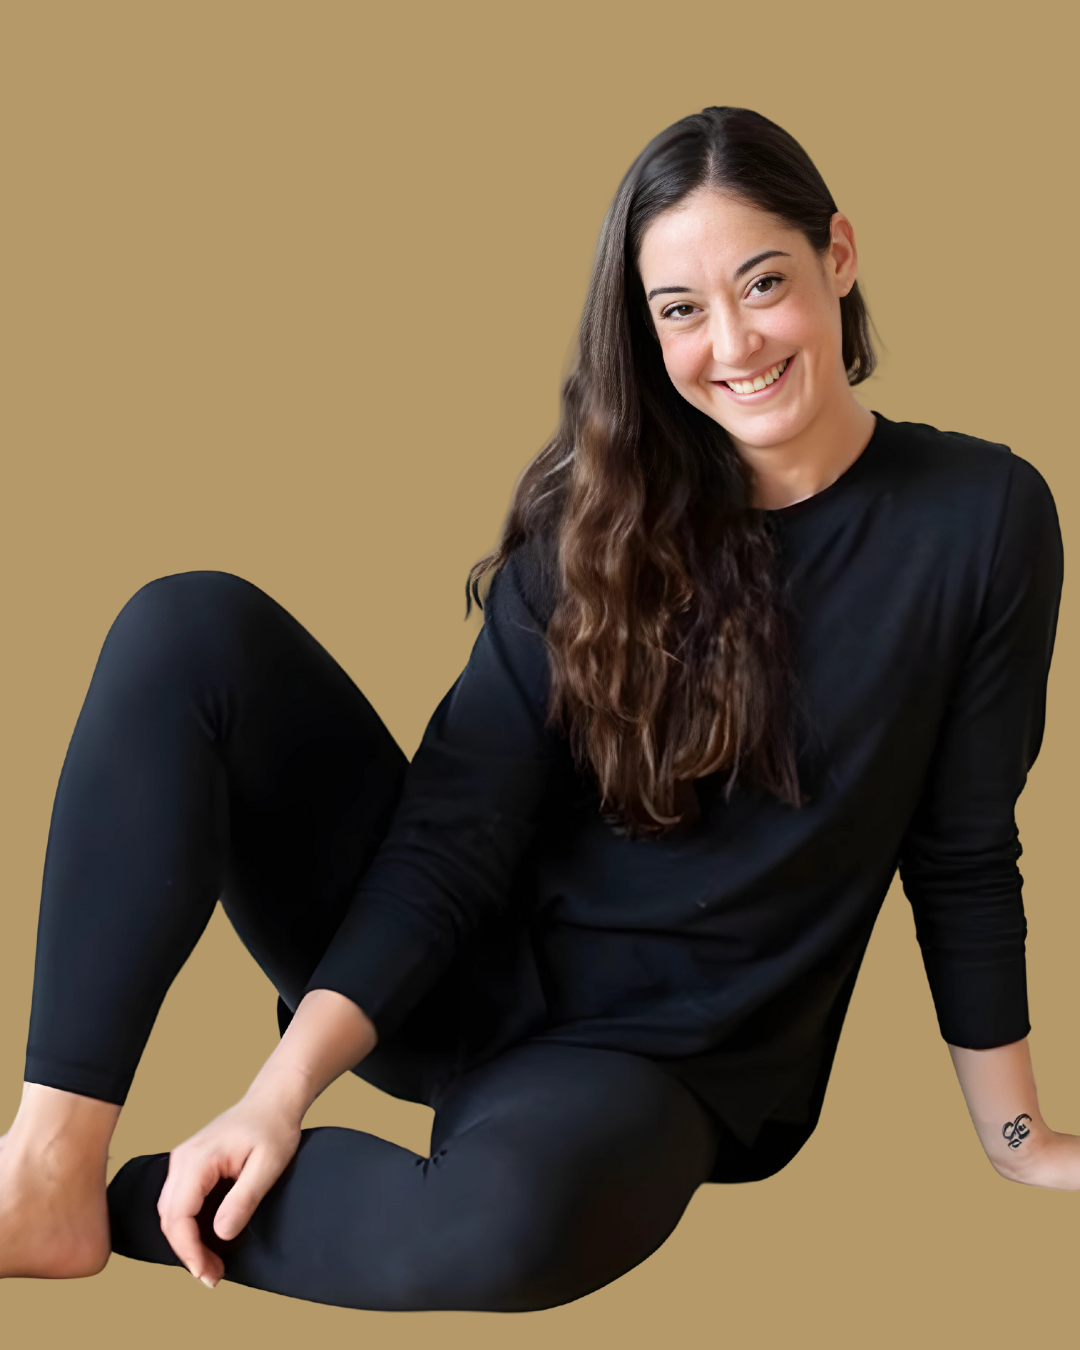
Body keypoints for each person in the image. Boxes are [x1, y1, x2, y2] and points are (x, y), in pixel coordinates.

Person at [0, 104, 1074, 1313]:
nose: (733, 342)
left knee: (500, 1235)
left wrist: (1017, 1138)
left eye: (764, 282)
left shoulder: (984, 518)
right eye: (681, 309)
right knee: (188, 627)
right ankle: (46, 1163)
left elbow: (963, 848)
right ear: (647, 330)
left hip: (653, 1062)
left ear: (839, 255)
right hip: (441, 971)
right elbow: (456, 830)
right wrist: (279, 1090)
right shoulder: (597, 523)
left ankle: (114, 1212)